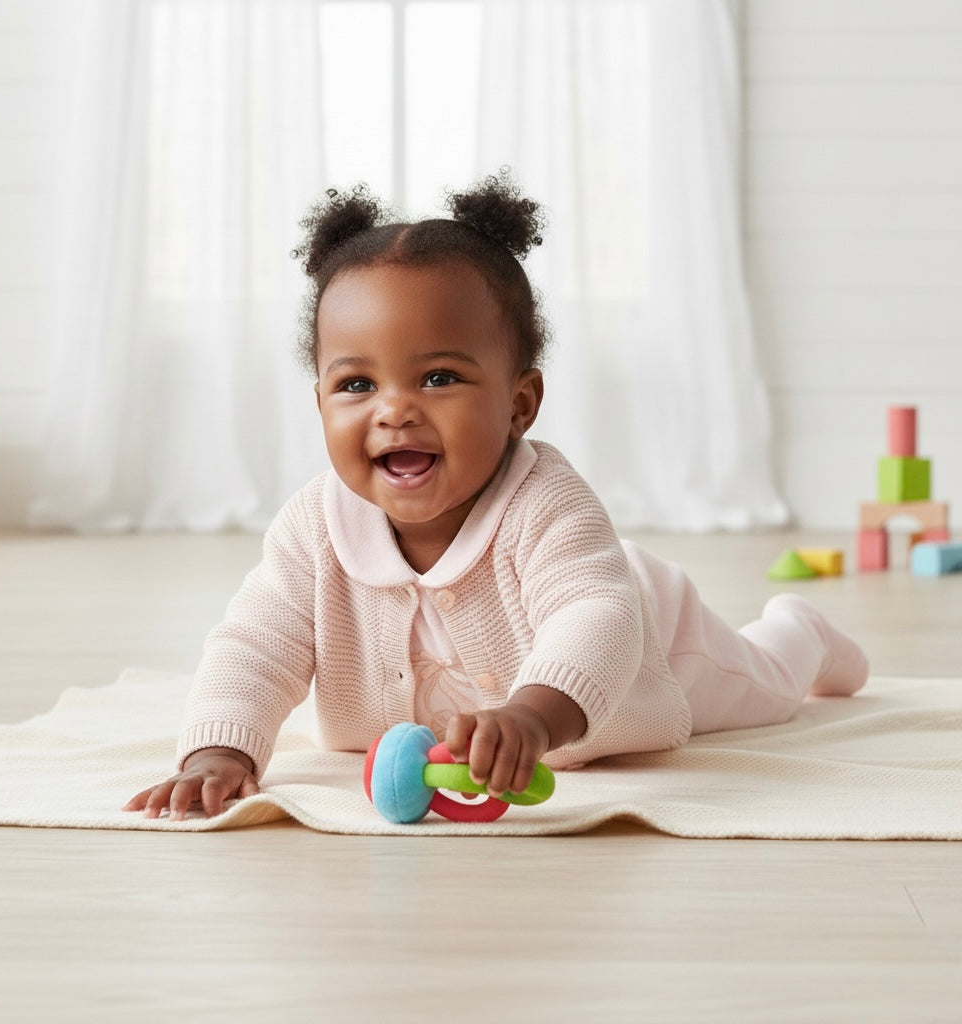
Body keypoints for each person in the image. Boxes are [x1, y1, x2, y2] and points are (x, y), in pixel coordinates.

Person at [125, 171, 868, 822]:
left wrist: (532, 716)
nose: (394, 410)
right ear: (318, 400)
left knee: (766, 689)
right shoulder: (312, 530)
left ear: (521, 403)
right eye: (356, 384)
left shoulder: (547, 504)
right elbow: (255, 647)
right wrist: (218, 752)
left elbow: (595, 618)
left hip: (653, 638)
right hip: (574, 615)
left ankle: (799, 632)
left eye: (438, 377)